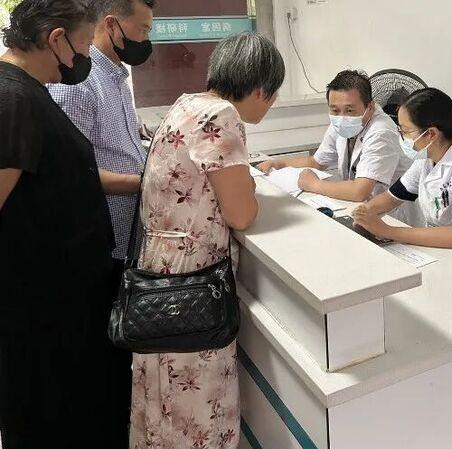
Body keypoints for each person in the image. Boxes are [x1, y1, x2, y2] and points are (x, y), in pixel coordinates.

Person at [129, 32, 284, 449]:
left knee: (163, 400)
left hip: (160, 271)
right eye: (272, 96)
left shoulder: (186, 104)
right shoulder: (222, 116)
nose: (269, 105)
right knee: (195, 408)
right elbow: (242, 213)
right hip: (193, 285)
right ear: (260, 89)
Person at [0, 0, 122, 447]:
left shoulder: (31, 93)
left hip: (67, 306)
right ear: (56, 38)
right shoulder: (12, 100)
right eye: (84, 44)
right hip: (42, 318)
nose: (85, 56)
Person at [47, 0, 155, 443]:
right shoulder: (79, 84)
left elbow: (117, 146)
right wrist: (145, 183)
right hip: (100, 243)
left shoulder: (116, 77)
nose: (147, 40)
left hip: (126, 240)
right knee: (100, 356)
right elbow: (71, 173)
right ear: (111, 24)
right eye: (142, 29)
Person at [353, 88, 452, 272]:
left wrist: (388, 231)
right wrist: (364, 213)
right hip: (442, 256)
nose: (401, 137)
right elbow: (392, 197)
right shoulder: (427, 159)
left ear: (431, 134)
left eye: (405, 131)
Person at [257, 70, 420, 224]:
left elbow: (359, 191)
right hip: (363, 210)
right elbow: (317, 161)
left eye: (350, 110)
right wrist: (279, 163)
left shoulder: (381, 132)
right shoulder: (340, 123)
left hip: (394, 217)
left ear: (370, 107)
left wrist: (314, 184)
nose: (342, 117)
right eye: (335, 110)